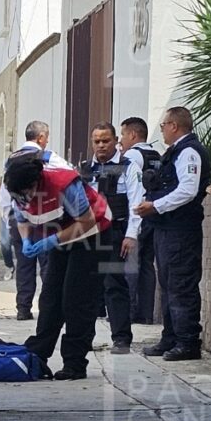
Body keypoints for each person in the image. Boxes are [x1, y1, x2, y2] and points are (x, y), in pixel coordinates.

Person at [5, 150, 112, 380]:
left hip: (93, 234)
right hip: (62, 235)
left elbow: (87, 221)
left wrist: (51, 241)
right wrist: (26, 241)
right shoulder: (19, 192)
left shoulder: (64, 184)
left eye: (25, 194)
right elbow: (22, 219)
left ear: (36, 183)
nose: (22, 199)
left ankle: (75, 363)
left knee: (76, 298)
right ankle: (37, 353)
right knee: (50, 296)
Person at [133, 107, 211, 361]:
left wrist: (155, 205)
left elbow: (188, 191)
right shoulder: (176, 151)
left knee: (181, 285)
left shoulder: (189, 152)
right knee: (168, 285)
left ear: (175, 126)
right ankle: (171, 339)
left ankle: (188, 342)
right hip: (166, 228)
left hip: (181, 230)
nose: (162, 130)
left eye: (164, 125)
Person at [0, 121, 71, 320]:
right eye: (47, 137)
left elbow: (4, 191)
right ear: (41, 137)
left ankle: (23, 309)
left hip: (17, 216)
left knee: (24, 264)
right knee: (48, 264)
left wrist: (7, 215)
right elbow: (70, 177)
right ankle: (49, 308)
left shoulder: (11, 160)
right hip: (42, 216)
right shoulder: (48, 157)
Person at [79, 123, 144, 355]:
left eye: (105, 141)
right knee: (86, 287)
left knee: (113, 284)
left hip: (115, 234)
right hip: (89, 235)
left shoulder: (129, 167)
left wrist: (131, 235)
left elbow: (135, 203)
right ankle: (83, 338)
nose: (100, 145)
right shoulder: (85, 170)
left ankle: (121, 339)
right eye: (96, 141)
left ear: (115, 140)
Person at [119, 117, 162, 324]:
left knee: (131, 263)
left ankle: (128, 311)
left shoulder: (132, 155)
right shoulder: (157, 155)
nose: (121, 140)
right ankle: (146, 314)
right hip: (154, 214)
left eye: (123, 135)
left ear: (132, 135)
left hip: (138, 213)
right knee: (146, 264)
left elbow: (129, 187)